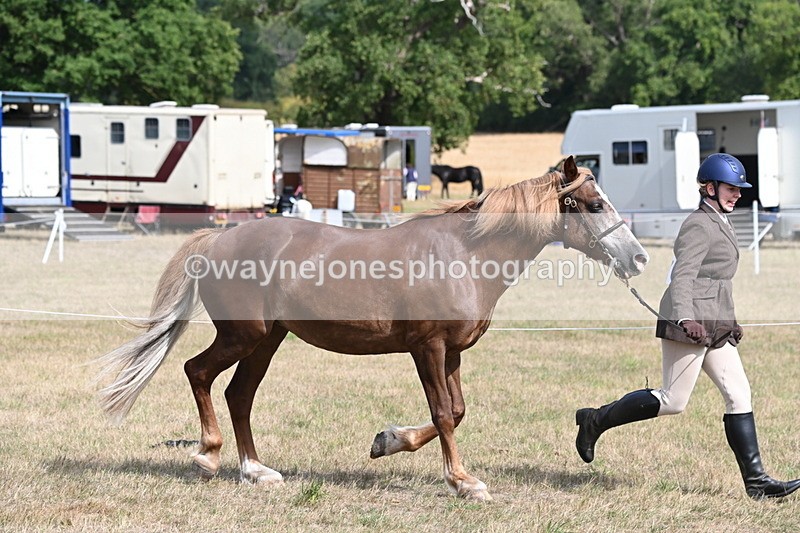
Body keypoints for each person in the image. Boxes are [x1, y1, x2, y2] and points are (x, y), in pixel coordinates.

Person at [574, 153, 800, 500]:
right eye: (731, 188)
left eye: (739, 190)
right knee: (674, 400)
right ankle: (594, 420)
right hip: (689, 320)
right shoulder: (698, 224)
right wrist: (684, 318)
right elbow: (683, 275)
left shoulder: (721, 220)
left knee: (739, 394)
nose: (737, 195)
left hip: (714, 322)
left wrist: (731, 320)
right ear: (709, 188)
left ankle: (757, 484)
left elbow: (718, 280)